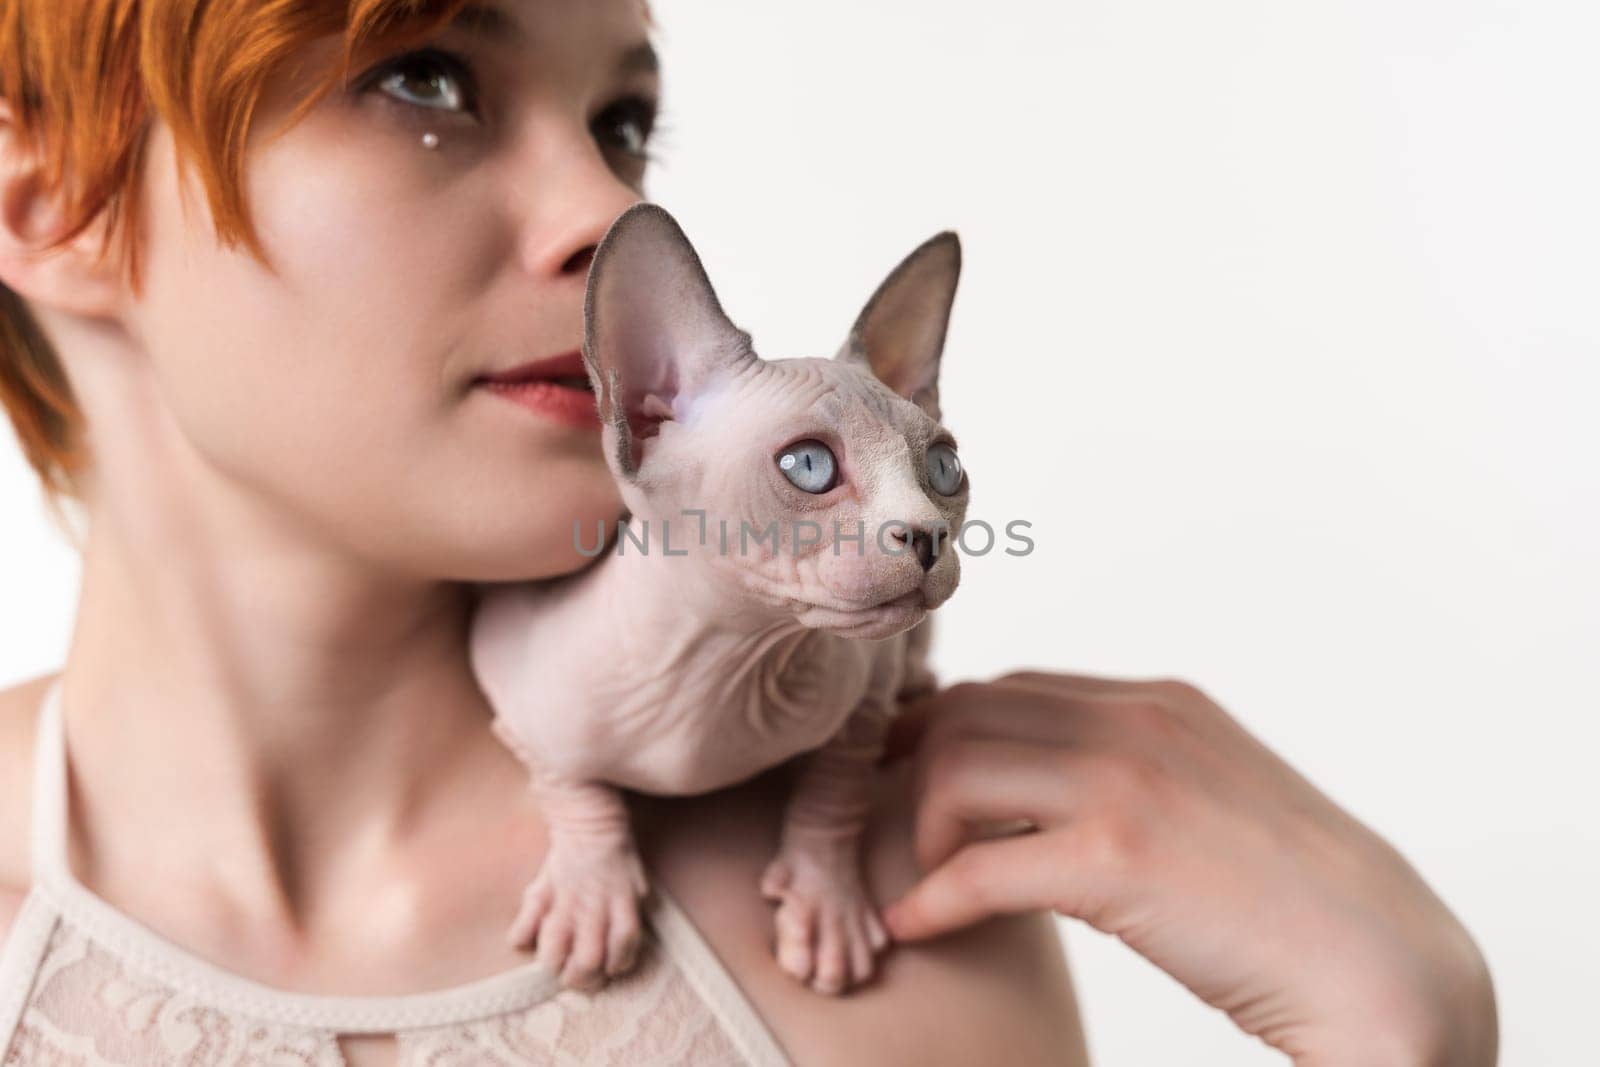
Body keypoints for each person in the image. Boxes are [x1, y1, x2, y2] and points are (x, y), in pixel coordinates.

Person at [0, 1, 1495, 1064]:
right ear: (45, 194)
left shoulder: (895, 931)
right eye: (427, 75)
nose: (604, 197)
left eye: (625, 120)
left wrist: (1397, 1038)